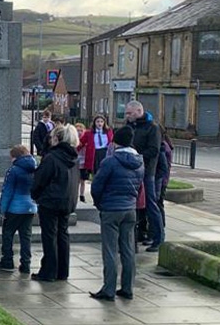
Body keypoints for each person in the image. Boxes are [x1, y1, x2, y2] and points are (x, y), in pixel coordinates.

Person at [90, 126, 144, 301]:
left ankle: (109, 289)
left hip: (111, 209)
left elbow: (97, 186)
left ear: (115, 143)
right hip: (130, 208)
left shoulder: (110, 161)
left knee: (110, 250)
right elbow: (139, 185)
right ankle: (127, 288)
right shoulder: (140, 161)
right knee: (128, 250)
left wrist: (100, 204)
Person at [30, 123, 80, 282]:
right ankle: (62, 271)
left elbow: (40, 179)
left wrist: (36, 194)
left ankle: (49, 271)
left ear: (57, 139)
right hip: (67, 201)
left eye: (51, 137)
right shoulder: (74, 157)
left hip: (51, 201)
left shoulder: (52, 157)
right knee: (62, 235)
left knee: (50, 236)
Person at [125, 100, 163, 252]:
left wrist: (136, 156)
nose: (127, 116)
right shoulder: (130, 126)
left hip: (147, 172)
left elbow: (154, 150)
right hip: (132, 171)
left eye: (129, 113)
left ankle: (158, 238)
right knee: (136, 206)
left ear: (139, 111)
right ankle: (138, 235)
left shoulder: (152, 128)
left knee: (151, 205)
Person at [0, 145, 38, 274]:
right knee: (26, 236)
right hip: (30, 207)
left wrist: (2, 210)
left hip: (14, 208)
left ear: (14, 157)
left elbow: (7, 191)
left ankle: (7, 260)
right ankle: (26, 264)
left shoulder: (14, 170)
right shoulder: (35, 168)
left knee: (8, 234)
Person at [74, 122, 91, 203]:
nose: (79, 132)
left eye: (81, 130)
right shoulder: (74, 141)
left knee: (83, 180)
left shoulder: (86, 141)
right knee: (76, 180)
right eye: (77, 130)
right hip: (76, 162)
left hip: (84, 162)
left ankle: (82, 195)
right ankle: (75, 194)